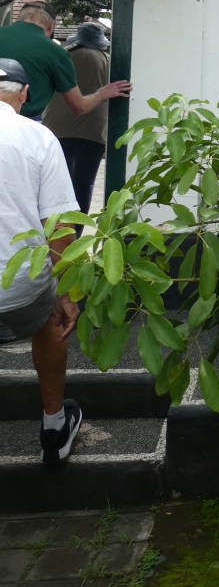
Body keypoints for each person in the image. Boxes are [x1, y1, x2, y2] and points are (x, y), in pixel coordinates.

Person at [0, 58, 83, 464]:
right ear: (24, 94)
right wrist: (67, 293)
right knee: (52, 316)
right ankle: (54, 426)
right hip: (21, 286)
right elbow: (59, 224)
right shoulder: (37, 136)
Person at [0, 1, 130, 120]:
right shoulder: (57, 53)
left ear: (18, 18)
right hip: (22, 122)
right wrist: (102, 93)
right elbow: (79, 107)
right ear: (51, 26)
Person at [43, 22, 111, 216]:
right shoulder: (107, 60)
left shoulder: (65, 56)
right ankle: (77, 227)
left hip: (57, 127)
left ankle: (55, 226)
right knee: (84, 183)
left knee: (56, 183)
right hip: (93, 128)